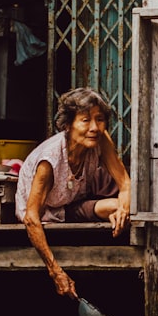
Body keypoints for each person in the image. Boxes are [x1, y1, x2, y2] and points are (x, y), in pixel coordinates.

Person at [15, 87, 130, 298]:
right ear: (68, 125)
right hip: (52, 211)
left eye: (100, 119)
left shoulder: (100, 140)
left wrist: (124, 208)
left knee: (136, 199)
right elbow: (31, 218)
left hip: (77, 196)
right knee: (119, 206)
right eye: (85, 120)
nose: (94, 127)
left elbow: (125, 182)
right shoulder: (49, 162)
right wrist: (55, 270)